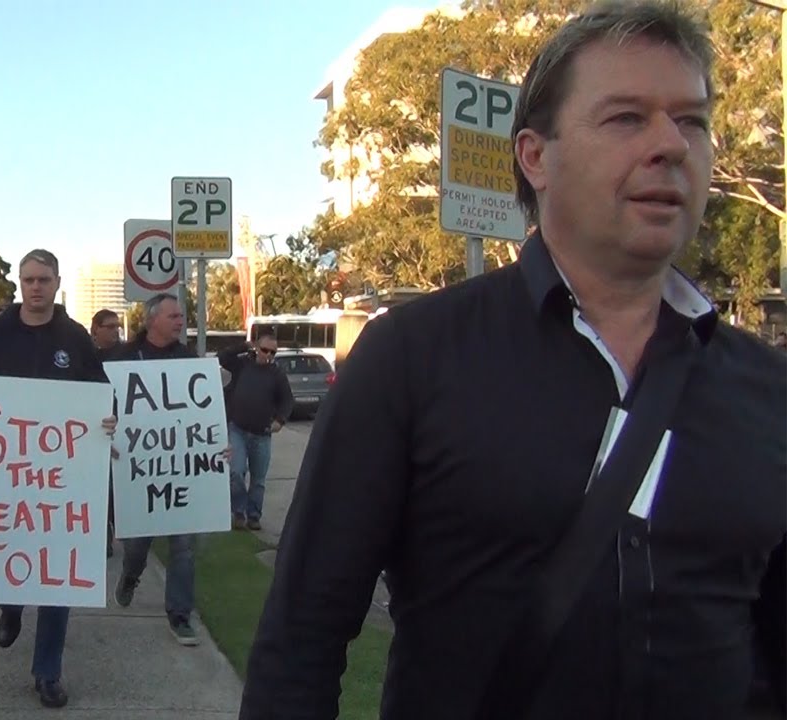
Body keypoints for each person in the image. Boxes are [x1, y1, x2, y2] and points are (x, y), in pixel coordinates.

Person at [240, 3, 786, 719]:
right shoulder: (413, 357)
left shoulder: (766, 387)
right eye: (626, 118)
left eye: (692, 121)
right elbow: (302, 638)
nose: (671, 145)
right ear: (536, 156)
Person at [0, 249, 116, 709]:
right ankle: (11, 605)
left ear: (57, 282)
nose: (35, 287)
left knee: (56, 574)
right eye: (28, 280)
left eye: (43, 279)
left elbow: (99, 390)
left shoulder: (74, 337)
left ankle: (48, 673)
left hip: (60, 481)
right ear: (20, 284)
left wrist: (106, 419)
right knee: (11, 553)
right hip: (3, 476)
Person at [104, 292, 204, 646]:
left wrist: (214, 439)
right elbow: (105, 405)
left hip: (178, 469)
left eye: (181, 316)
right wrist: (109, 433)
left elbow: (202, 410)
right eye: (174, 316)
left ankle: (180, 615)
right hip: (138, 470)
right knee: (136, 546)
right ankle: (130, 577)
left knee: (184, 547)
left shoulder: (188, 358)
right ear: (152, 321)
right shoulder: (124, 358)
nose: (180, 321)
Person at [217, 331, 293, 531]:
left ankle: (254, 516)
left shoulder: (277, 374)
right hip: (237, 430)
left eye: (273, 352)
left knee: (258, 480)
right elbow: (223, 357)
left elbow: (287, 400)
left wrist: (280, 420)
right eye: (264, 350)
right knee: (236, 472)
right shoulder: (242, 365)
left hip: (262, 433)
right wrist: (244, 345)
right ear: (256, 348)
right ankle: (239, 512)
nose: (268, 355)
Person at [90, 308, 124, 557]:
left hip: (123, 430)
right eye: (110, 326)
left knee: (115, 490)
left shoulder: (126, 356)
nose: (115, 331)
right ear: (96, 330)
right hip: (91, 432)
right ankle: (101, 536)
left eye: (117, 326)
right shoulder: (86, 357)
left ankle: (109, 532)